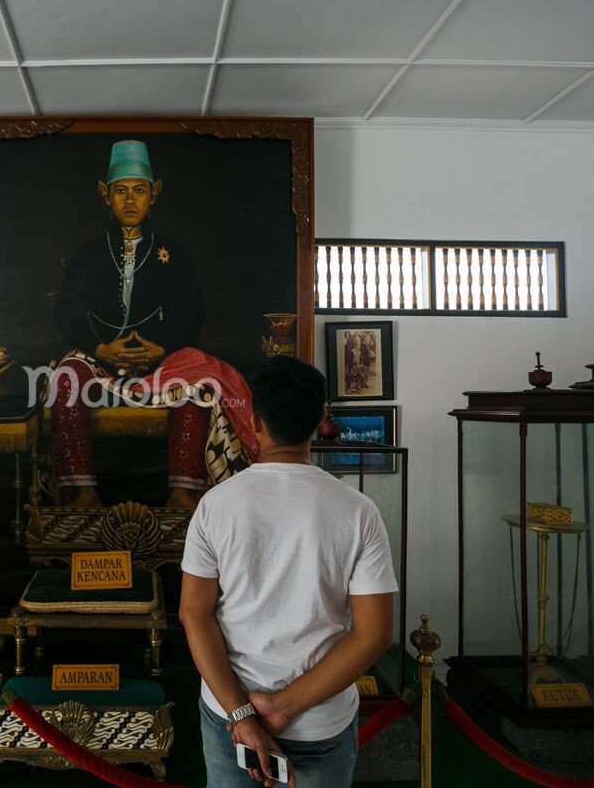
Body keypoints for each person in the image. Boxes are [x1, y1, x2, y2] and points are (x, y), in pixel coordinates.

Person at [179, 356, 398, 787]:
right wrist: (282, 707)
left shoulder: (216, 506)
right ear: (320, 420)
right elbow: (373, 634)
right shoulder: (358, 512)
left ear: (255, 422)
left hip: (231, 715)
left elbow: (194, 614)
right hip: (319, 719)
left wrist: (243, 715)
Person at [50, 140, 254, 509]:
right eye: (121, 191)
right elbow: (64, 313)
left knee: (196, 386)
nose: (130, 201)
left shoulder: (173, 254)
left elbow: (192, 311)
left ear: (154, 194)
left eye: (139, 191)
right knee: (65, 378)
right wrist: (100, 349)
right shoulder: (86, 256)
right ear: (104, 194)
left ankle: (182, 492)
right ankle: (83, 492)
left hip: (162, 362)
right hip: (100, 362)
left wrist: (162, 347)